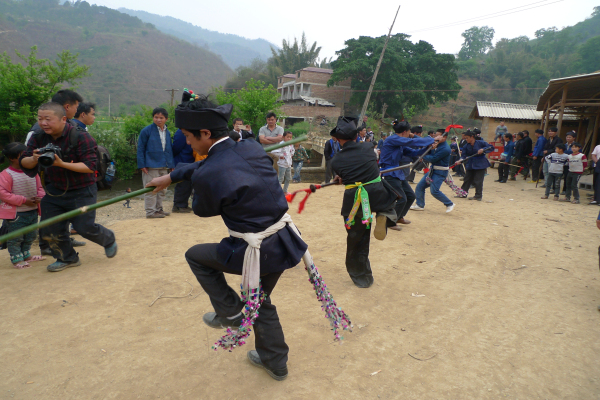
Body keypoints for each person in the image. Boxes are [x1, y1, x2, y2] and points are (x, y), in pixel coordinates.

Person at [146, 95, 309, 381]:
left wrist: (193, 178)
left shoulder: (210, 172)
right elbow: (211, 163)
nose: (186, 143)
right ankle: (275, 360)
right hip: (286, 239)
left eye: (188, 136)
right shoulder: (250, 146)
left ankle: (231, 313)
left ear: (205, 133)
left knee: (196, 256)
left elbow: (202, 209)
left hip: (257, 249)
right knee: (260, 298)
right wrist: (174, 176)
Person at [20, 102, 117, 272]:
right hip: (54, 189)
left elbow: (89, 166)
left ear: (63, 119)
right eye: (40, 119)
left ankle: (108, 239)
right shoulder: (38, 137)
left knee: (84, 227)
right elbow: (24, 163)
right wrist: (34, 159)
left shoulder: (80, 137)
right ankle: (67, 258)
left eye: (48, 119)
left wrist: (61, 163)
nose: (43, 123)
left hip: (82, 190)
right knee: (50, 227)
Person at [330, 116, 398, 288]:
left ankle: (362, 278)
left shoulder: (336, 160)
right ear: (356, 137)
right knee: (393, 194)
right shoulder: (368, 147)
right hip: (377, 194)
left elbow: (344, 177)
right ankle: (385, 215)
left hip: (354, 200)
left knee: (357, 238)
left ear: (337, 139)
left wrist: (339, 178)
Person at [25, 89, 85, 254]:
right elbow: (27, 155)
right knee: (49, 211)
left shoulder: (71, 127)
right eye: (76, 106)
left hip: (62, 176)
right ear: (67, 106)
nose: (77, 110)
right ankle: (45, 246)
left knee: (61, 210)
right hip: (45, 177)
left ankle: (64, 239)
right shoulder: (38, 131)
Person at [379, 120, 434, 230]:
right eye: (409, 132)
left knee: (410, 196)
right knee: (401, 198)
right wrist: (432, 139)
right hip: (389, 172)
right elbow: (412, 143)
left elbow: (413, 152)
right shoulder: (392, 139)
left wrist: (427, 148)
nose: (410, 134)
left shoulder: (400, 143)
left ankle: (399, 217)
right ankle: (390, 222)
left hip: (397, 172)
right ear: (405, 132)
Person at [0, 143, 46, 269]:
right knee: (16, 237)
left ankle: (26, 255)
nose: (27, 158)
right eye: (23, 155)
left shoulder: (32, 172)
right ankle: (16, 259)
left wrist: (40, 197)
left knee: (31, 235)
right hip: (16, 214)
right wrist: (24, 200)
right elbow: (3, 194)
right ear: (12, 158)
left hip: (32, 210)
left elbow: (40, 187)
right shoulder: (6, 174)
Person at [137, 107, 175, 219]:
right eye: (156, 117)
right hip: (151, 165)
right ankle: (150, 212)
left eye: (161, 117)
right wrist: (142, 164)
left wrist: (171, 165)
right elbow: (140, 148)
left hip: (164, 165)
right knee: (151, 189)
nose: (158, 120)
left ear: (166, 119)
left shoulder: (167, 131)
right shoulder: (146, 131)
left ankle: (158, 209)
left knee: (163, 189)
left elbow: (169, 149)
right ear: (153, 118)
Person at [412, 134, 455, 213]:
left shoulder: (445, 149)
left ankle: (449, 203)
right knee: (420, 186)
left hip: (440, 172)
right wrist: (413, 136)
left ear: (444, 137)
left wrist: (422, 156)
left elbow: (433, 159)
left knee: (434, 191)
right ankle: (419, 204)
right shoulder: (436, 144)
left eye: (438, 135)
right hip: (432, 171)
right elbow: (424, 140)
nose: (435, 137)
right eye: (435, 135)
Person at [456, 130, 494, 201]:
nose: (466, 139)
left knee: (478, 180)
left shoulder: (481, 143)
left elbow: (491, 147)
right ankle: (463, 193)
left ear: (472, 137)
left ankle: (478, 195)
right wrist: (460, 160)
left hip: (480, 163)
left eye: (467, 138)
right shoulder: (466, 146)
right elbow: (463, 155)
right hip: (471, 163)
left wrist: (483, 149)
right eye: (465, 138)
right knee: (467, 179)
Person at [171, 128, 195, 213]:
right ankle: (178, 205)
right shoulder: (181, 132)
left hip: (191, 160)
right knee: (182, 184)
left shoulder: (194, 129)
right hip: (182, 160)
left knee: (188, 184)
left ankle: (183, 204)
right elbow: (176, 147)